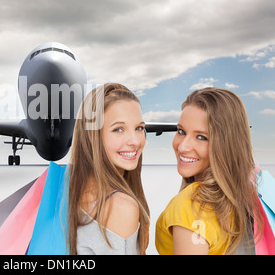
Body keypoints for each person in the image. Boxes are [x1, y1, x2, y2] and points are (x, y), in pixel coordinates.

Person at [155, 87, 263, 255]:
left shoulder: (190, 206)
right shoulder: (249, 193)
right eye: (181, 131)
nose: (182, 147)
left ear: (226, 145)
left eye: (201, 137)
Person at [67, 83, 150, 255]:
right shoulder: (120, 206)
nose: (135, 141)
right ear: (93, 137)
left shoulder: (70, 190)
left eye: (139, 128)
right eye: (118, 129)